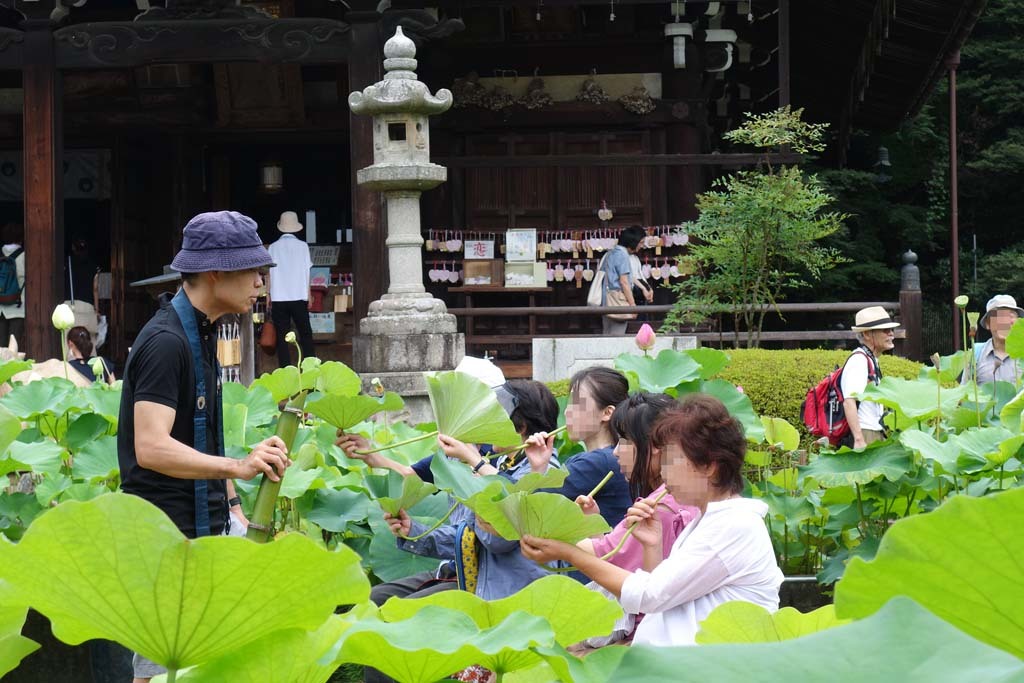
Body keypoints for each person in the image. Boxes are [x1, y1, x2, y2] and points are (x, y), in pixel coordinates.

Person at [117, 211, 293, 683]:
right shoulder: (165, 342)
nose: (260, 281)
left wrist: (233, 508)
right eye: (253, 270)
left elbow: (198, 434)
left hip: (202, 531)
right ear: (215, 272)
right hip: (166, 539)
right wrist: (238, 466)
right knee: (160, 671)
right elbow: (151, 447)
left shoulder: (204, 331)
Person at [520, 394, 783, 647]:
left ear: (708, 466)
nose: (663, 471)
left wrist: (571, 554)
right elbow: (663, 598)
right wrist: (652, 546)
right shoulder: (707, 520)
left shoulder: (733, 526)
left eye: (671, 460)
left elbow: (650, 595)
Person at [350, 380, 560, 683]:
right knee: (377, 599)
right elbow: (466, 536)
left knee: (397, 615)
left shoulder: (541, 469)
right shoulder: (498, 461)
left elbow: (499, 540)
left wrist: (472, 462)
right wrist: (415, 531)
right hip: (469, 573)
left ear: (520, 426)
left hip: (502, 590)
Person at [573, 392, 699, 647]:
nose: (617, 452)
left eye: (624, 440)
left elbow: (603, 556)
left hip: (645, 641)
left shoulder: (662, 506)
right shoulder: (677, 498)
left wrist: (549, 537)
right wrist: (592, 525)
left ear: (654, 446)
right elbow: (619, 560)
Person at [524, 366, 633, 529]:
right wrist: (539, 466)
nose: (567, 411)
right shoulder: (606, 457)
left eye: (577, 403)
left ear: (607, 412)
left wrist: (478, 463)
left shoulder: (598, 462)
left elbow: (532, 510)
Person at [841, 306, 899, 449]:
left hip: (875, 430)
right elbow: (848, 402)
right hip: (865, 432)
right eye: (885, 330)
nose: (891, 334)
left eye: (892, 330)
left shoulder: (871, 359)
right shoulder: (859, 360)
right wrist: (859, 439)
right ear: (867, 334)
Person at [267, 211, 314, 368]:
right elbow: (307, 272)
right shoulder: (303, 247)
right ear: (296, 228)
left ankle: (286, 369)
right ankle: (309, 368)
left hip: (278, 297)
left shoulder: (272, 248)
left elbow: (269, 274)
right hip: (299, 296)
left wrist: (268, 295)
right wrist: (309, 295)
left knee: (282, 336)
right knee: (305, 334)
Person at [965, 295, 1024, 385]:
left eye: (1010, 316)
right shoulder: (975, 354)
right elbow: (964, 394)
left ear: (1017, 321)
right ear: (988, 324)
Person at [600, 226, 646, 335]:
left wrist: (643, 288)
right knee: (617, 337)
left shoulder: (611, 253)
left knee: (607, 334)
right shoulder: (623, 255)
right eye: (641, 242)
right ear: (633, 242)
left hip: (606, 299)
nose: (642, 245)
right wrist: (632, 305)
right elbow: (624, 282)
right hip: (617, 300)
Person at [0, 222, 24, 349]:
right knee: (14, 348)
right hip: (18, 306)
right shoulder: (25, 255)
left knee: (1, 348)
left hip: (0, 308)